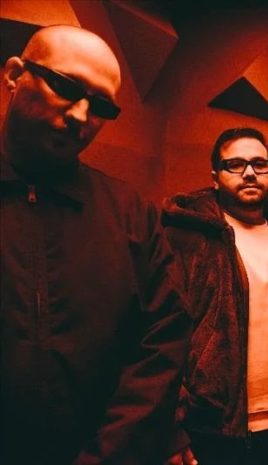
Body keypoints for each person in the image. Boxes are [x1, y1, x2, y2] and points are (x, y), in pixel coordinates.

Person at [0, 25, 191, 464]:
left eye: (101, 105)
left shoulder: (131, 213)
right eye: (66, 87)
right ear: (14, 75)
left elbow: (163, 342)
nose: (82, 115)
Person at [162, 127, 268, 465]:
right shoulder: (186, 241)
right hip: (213, 427)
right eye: (235, 164)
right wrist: (171, 428)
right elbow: (159, 334)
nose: (249, 173)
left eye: (259, 164)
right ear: (215, 177)